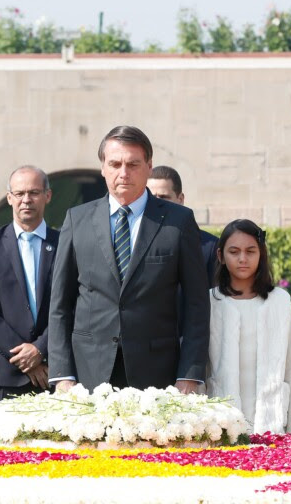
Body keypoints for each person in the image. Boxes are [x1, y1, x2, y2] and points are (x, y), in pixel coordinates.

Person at [48, 125, 210, 393]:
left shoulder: (178, 221)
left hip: (158, 373)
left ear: (149, 166)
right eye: (115, 164)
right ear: (103, 167)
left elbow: (197, 305)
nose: (123, 173)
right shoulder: (77, 220)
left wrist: (190, 374)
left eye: (133, 164)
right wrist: (62, 373)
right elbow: (60, 304)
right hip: (88, 371)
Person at [205, 219, 291, 434]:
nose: (243, 259)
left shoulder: (279, 300)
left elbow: (290, 366)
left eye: (251, 251)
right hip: (219, 422)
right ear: (221, 256)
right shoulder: (211, 301)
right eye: (234, 252)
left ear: (261, 254)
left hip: (273, 420)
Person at [0, 166, 59, 404]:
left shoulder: (65, 243)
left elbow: (72, 305)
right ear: (9, 198)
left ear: (47, 196)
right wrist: (25, 358)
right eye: (19, 193)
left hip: (52, 373)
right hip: (3, 374)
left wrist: (40, 349)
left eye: (33, 192)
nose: (26, 200)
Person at [147, 165, 218, 288]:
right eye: (151, 197)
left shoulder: (209, 247)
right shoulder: (133, 240)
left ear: (180, 199)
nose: (156, 203)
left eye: (164, 197)